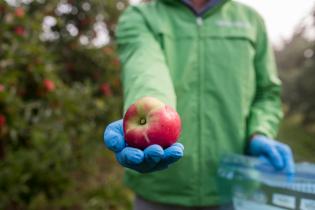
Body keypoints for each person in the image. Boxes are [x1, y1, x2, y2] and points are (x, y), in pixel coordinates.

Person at [104, 0, 295, 209]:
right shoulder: (142, 16)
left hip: (232, 188)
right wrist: (154, 115)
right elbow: (147, 71)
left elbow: (267, 92)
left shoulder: (251, 21)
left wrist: (259, 132)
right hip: (159, 191)